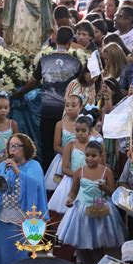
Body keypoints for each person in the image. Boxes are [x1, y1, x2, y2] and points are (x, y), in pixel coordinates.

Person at [18, 26, 82, 171]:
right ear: (70, 43)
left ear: (55, 40)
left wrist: (19, 94)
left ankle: (47, 177)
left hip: (47, 110)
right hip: (68, 113)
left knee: (47, 146)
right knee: (67, 145)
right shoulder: (76, 62)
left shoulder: (44, 60)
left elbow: (33, 82)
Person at [57, 141, 126, 264]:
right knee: (82, 243)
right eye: (87, 155)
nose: (89, 158)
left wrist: (104, 187)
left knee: (99, 244)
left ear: (101, 157)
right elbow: (73, 191)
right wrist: (70, 199)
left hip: (101, 210)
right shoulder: (79, 172)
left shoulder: (107, 172)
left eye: (93, 156)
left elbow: (112, 193)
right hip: (82, 210)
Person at [0, 133, 48, 264]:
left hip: (23, 218)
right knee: (2, 254)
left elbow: (36, 185)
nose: (12, 149)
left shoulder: (34, 166)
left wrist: (17, 171)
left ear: (25, 148)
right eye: (10, 146)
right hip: (4, 216)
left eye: (16, 146)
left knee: (20, 256)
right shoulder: (3, 165)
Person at [48, 115, 92, 214]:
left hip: (88, 182)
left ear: (90, 131)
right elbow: (64, 168)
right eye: (77, 130)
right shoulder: (70, 145)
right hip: (71, 181)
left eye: (83, 131)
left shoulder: (93, 146)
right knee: (68, 210)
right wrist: (77, 176)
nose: (80, 133)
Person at [44, 95, 81, 191]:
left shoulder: (84, 124)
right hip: (62, 159)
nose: (69, 108)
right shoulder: (60, 124)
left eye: (73, 105)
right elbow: (56, 146)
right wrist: (68, 155)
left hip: (79, 159)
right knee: (59, 186)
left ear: (80, 107)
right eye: (67, 105)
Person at [0, 93, 19, 158]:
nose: (3, 110)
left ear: (9, 109)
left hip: (9, 157)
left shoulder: (13, 124)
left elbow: (17, 143)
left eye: (6, 108)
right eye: (0, 108)